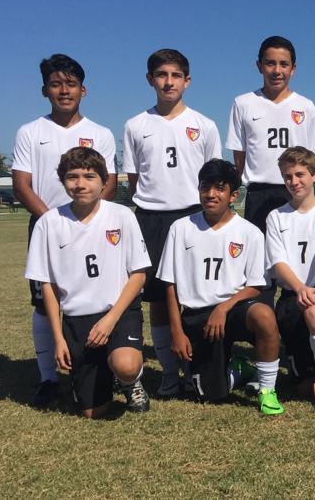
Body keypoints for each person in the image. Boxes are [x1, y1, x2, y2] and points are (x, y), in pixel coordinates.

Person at [12, 54, 117, 407]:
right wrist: (53, 222)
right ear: (45, 90)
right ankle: (47, 378)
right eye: (56, 84)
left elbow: (110, 181)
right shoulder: (30, 132)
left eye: (71, 84)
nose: (64, 90)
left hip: (93, 229)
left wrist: (88, 217)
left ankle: (105, 368)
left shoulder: (100, 133)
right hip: (47, 227)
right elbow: (22, 184)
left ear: (83, 90)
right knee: (45, 303)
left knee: (95, 297)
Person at [122, 48, 222, 397]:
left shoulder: (204, 125)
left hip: (195, 216)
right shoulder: (135, 125)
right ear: (150, 79)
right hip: (151, 219)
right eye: (161, 75)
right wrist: (156, 204)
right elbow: (135, 179)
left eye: (175, 75)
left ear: (187, 81)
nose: (168, 81)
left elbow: (214, 178)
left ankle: (200, 366)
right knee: (158, 299)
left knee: (197, 293)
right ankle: (168, 372)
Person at [25, 147, 149, 417]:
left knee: (125, 364)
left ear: (104, 182)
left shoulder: (121, 215)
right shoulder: (48, 223)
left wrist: (109, 320)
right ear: (63, 181)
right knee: (92, 413)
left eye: (90, 176)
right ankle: (104, 373)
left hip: (118, 311)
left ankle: (129, 380)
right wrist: (58, 339)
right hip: (77, 318)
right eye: (72, 177)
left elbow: (138, 274)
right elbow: (48, 285)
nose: (80, 184)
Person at [158, 159, 285, 415]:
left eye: (219, 188)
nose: (211, 195)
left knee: (264, 315)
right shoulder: (180, 228)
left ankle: (267, 390)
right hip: (197, 316)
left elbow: (257, 285)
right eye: (206, 187)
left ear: (233, 195)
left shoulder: (249, 233)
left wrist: (224, 307)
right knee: (210, 394)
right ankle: (238, 370)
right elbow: (169, 284)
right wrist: (177, 331)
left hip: (235, 309)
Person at [264, 147, 315, 406]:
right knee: (305, 388)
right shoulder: (276, 216)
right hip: (292, 297)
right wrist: (301, 288)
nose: (294, 182)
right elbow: (278, 261)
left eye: (300, 174)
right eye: (287, 177)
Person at [226, 36, 315, 232]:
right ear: (259, 66)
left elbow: (312, 158)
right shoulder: (243, 103)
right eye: (270, 63)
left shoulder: (306, 106)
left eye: (283, 64)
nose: (277, 71)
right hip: (258, 194)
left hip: (296, 192)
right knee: (258, 257)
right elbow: (239, 156)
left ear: (293, 68)